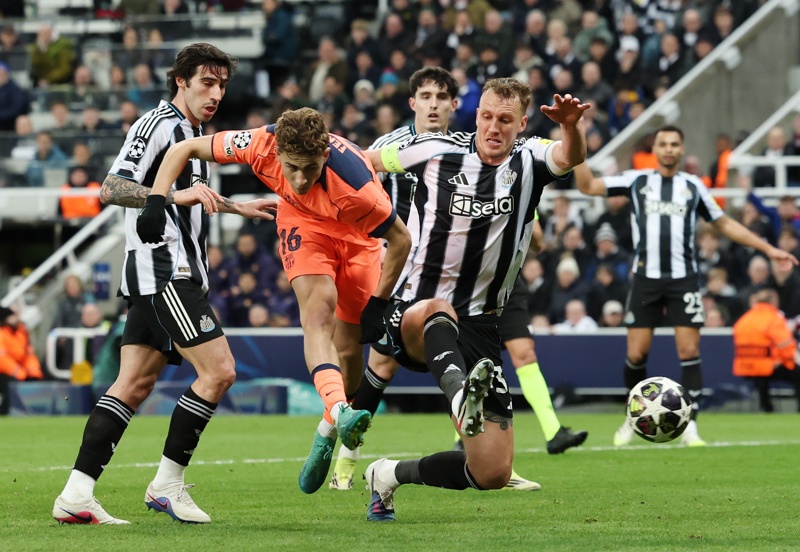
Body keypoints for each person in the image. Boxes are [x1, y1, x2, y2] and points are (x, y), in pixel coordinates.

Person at [328, 67, 587, 494]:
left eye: (505, 120)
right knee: (435, 312)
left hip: (482, 325)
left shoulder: (530, 158)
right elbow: (363, 162)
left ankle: (388, 473)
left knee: (491, 473)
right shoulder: (433, 151)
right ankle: (456, 398)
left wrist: (571, 126)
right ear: (476, 116)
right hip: (416, 309)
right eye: (486, 116)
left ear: (521, 124)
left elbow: (569, 156)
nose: (493, 127)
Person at [53, 43, 277, 526]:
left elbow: (189, 198)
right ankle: (167, 484)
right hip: (163, 269)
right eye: (206, 83)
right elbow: (111, 188)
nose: (216, 93)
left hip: (173, 269)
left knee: (133, 384)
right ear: (181, 80)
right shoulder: (157, 125)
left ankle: (75, 494)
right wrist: (171, 193)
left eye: (222, 85)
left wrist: (240, 207)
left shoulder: (194, 133)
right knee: (219, 372)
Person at [140, 106, 412, 496]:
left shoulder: (359, 189)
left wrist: (379, 304)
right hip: (303, 226)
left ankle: (327, 427)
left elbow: (402, 240)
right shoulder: (259, 144)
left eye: (310, 169)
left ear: (324, 157)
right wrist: (155, 198)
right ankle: (339, 410)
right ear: (276, 152)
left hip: (359, 242)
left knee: (351, 353)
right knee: (317, 315)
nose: (299, 179)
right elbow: (181, 150)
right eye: (291, 167)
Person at [572, 124, 799, 448]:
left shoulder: (693, 187)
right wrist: (575, 137)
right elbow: (588, 185)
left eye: (674, 144)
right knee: (636, 354)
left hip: (683, 279)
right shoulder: (637, 180)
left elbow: (724, 223)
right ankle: (633, 415)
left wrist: (768, 248)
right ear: (655, 150)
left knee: (690, 351)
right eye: (663, 143)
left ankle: (690, 425)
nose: (668, 149)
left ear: (681, 149)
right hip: (645, 278)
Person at [732, 287, 800, 412]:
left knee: (761, 376)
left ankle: (766, 407)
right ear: (773, 301)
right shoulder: (773, 319)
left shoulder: (744, 319)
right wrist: (787, 360)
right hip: (766, 365)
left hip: (745, 366)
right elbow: (785, 344)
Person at [0, 306, 44, 415]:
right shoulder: (1, 334)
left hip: (18, 371)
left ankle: (34, 411)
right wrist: (19, 372)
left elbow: (29, 355)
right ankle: (5, 412)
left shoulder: (22, 332)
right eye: (12, 316)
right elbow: (2, 359)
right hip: (5, 373)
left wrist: (33, 371)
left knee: (37, 381)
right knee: (10, 386)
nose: (16, 319)